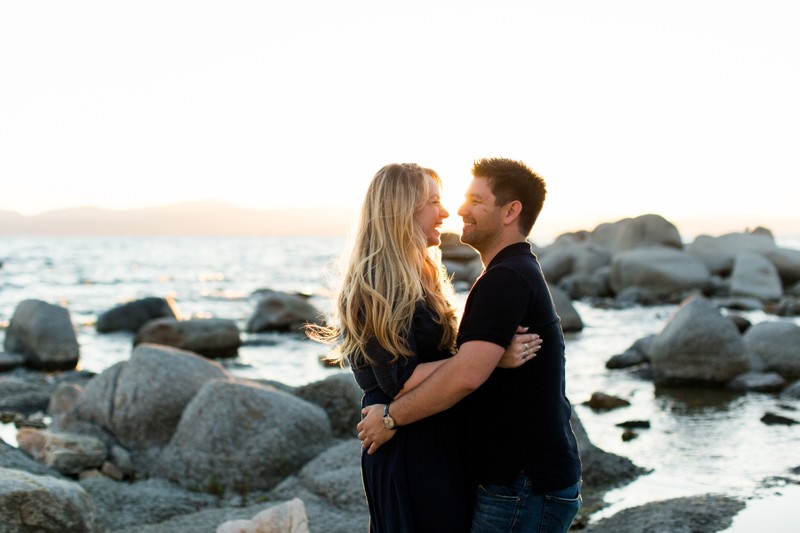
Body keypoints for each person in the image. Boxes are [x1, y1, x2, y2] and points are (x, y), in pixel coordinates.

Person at [308, 162, 541, 533]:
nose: (446, 212)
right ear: (402, 210)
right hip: (407, 448)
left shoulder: (421, 273)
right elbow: (400, 379)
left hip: (432, 434)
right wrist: (488, 360)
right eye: (433, 201)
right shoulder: (376, 285)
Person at [359, 158, 582, 533]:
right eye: (436, 202)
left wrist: (390, 418)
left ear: (511, 211)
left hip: (522, 484)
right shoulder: (504, 274)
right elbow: (446, 369)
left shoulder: (505, 277)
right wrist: (486, 360)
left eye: (476, 200)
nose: (457, 210)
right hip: (496, 475)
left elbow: (465, 374)